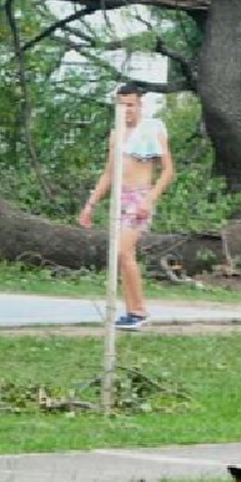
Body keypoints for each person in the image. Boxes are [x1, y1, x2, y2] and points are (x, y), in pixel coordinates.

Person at [77, 83, 175, 330]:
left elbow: (168, 170)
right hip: (120, 199)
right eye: (121, 106)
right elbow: (109, 173)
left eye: (130, 105)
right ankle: (132, 311)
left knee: (123, 250)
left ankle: (140, 310)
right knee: (121, 255)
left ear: (139, 104)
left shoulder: (153, 128)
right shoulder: (116, 134)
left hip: (140, 197)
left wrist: (149, 199)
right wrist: (90, 204)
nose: (126, 110)